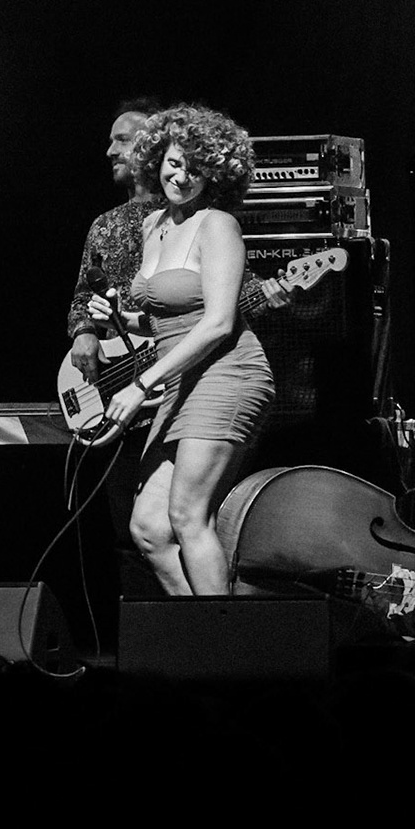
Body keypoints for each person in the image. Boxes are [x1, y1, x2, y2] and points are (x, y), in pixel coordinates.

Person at [92, 105, 274, 596]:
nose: (181, 176)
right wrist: (119, 319)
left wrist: (140, 384)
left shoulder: (218, 225)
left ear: (215, 175)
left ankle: (225, 637)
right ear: (157, 160)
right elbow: (164, 319)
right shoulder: (153, 224)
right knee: (149, 530)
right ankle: (200, 628)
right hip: (181, 382)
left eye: (196, 168)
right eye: (174, 163)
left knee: (188, 517)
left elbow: (217, 322)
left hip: (227, 375)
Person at [65, 98, 165, 600]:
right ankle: (140, 633)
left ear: (154, 144)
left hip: (169, 387)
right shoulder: (105, 224)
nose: (109, 150)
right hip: (116, 392)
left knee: (171, 522)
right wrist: (84, 330)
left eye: (122, 139)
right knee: (126, 530)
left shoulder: (189, 216)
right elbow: (82, 296)